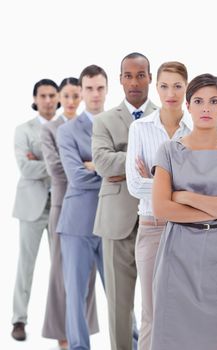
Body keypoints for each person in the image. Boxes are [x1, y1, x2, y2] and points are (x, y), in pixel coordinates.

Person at [150, 73, 217, 350]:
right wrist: (216, 208)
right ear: (188, 106)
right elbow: (161, 207)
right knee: (173, 334)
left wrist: (184, 197)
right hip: (178, 252)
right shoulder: (169, 151)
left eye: (213, 101)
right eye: (198, 101)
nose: (206, 108)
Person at [92, 52, 157, 350]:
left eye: (140, 75)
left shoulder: (165, 117)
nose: (134, 81)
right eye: (128, 75)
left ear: (150, 78)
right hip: (116, 223)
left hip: (158, 220)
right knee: (119, 306)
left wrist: (123, 163)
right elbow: (102, 163)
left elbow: (172, 166)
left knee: (157, 304)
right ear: (120, 79)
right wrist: (143, 160)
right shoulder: (104, 120)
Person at [126, 61, 192, 349]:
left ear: (186, 88)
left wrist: (156, 182)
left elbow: (201, 187)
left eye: (177, 86)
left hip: (186, 230)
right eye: (164, 85)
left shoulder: (194, 132)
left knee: (182, 310)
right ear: (156, 86)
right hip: (152, 228)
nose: (171, 92)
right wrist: (177, 190)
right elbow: (134, 185)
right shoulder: (140, 128)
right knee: (151, 312)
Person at [40, 77, 99, 350]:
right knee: (64, 279)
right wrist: (83, 165)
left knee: (86, 281)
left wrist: (90, 164)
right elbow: (59, 170)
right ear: (61, 98)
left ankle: (80, 332)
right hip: (64, 207)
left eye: (77, 95)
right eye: (68, 96)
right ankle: (64, 336)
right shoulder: (53, 129)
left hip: (95, 208)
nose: (73, 101)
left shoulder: (92, 126)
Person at [56, 65, 107, 350]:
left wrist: (94, 165)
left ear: (107, 89)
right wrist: (110, 170)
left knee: (119, 295)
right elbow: (76, 176)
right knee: (75, 294)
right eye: (89, 88)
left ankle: (134, 345)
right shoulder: (67, 131)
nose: (95, 94)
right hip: (77, 224)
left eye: (100, 88)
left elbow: (130, 173)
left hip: (112, 222)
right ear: (81, 91)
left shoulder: (120, 125)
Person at [11, 79, 60, 341]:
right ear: (35, 98)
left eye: (53, 95)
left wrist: (41, 160)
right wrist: (56, 162)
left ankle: (61, 320)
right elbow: (25, 168)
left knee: (61, 267)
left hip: (60, 206)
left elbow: (72, 165)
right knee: (25, 265)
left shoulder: (67, 128)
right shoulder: (23, 130)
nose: (48, 100)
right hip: (31, 206)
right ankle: (19, 319)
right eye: (43, 95)